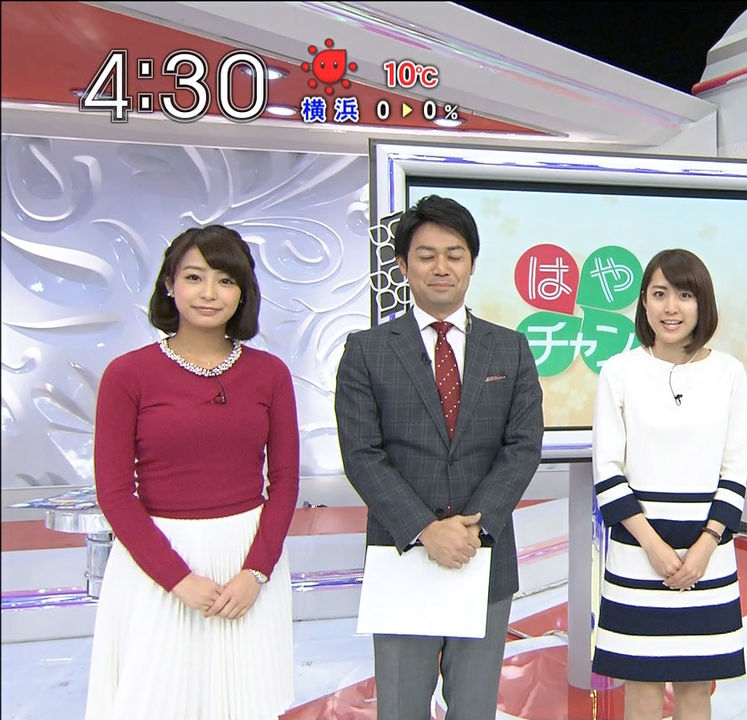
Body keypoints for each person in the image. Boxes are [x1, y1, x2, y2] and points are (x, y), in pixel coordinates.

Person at [335, 194, 544, 720]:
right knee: (401, 708)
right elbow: (362, 454)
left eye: (455, 254)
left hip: (483, 554)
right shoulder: (366, 350)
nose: (441, 267)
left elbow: (522, 446)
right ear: (403, 265)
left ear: (472, 263)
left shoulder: (511, 348)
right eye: (426, 255)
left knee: (474, 708)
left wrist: (474, 527)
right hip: (402, 555)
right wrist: (425, 529)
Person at [86, 225, 299, 720]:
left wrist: (256, 572)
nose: (209, 293)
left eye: (225, 280)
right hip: (157, 562)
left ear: (242, 292)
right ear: (169, 284)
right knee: (156, 699)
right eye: (194, 277)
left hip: (248, 561)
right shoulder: (127, 374)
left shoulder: (270, 373)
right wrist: (178, 579)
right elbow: (114, 493)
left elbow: (286, 481)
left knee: (249, 700)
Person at [592, 248, 747, 720]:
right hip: (637, 551)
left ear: (703, 303)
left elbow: (735, 469)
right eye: (659, 294)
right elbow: (608, 467)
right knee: (641, 686)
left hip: (709, 553)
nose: (671, 307)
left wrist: (704, 547)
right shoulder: (618, 371)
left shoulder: (729, 372)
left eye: (684, 295)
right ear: (644, 302)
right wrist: (653, 547)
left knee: (696, 687)